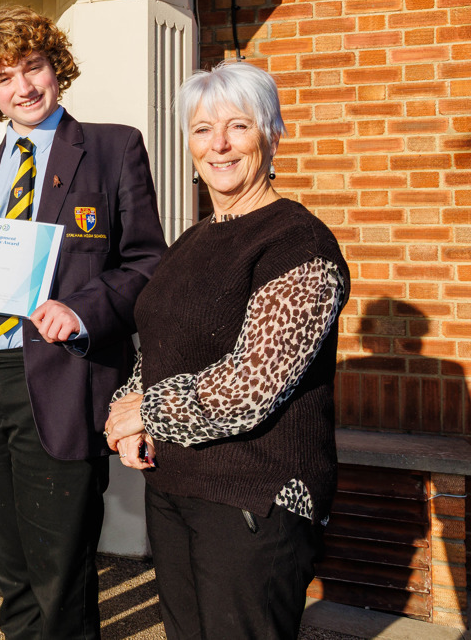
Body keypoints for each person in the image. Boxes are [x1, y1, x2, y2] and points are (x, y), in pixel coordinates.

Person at [0, 6, 167, 640]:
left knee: (61, 574)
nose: (22, 86)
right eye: (3, 78)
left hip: (56, 381)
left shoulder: (112, 147)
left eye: (33, 67)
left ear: (57, 68)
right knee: (9, 570)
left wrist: (82, 309)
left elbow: (147, 264)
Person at [104, 61, 349, 640]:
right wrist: (129, 410)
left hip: (254, 497)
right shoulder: (192, 239)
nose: (218, 145)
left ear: (270, 133)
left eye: (237, 126)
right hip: (174, 483)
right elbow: (161, 343)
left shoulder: (298, 241)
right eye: (201, 129)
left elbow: (253, 386)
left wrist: (149, 411)